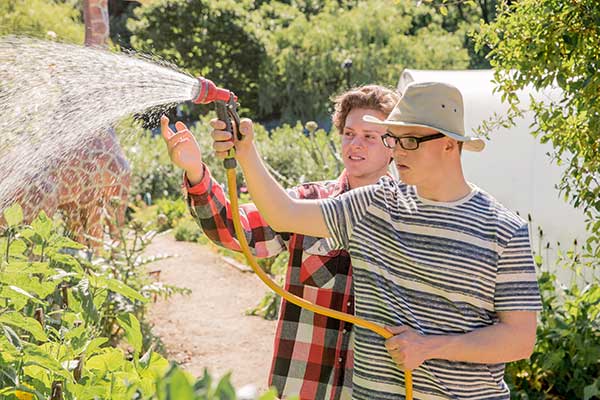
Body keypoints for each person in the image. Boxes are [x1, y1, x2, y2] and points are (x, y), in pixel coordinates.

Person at [208, 81, 542, 399]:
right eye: (393, 139)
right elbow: (284, 213)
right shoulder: (374, 204)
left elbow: (519, 339)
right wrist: (247, 151)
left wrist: (432, 346)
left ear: (449, 144)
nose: (397, 151)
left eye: (409, 140)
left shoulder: (503, 229)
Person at [161, 85, 400, 400]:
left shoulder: (409, 219)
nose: (355, 144)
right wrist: (195, 170)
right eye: (349, 133)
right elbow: (236, 230)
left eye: (369, 136)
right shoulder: (306, 204)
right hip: (303, 388)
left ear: (395, 145)